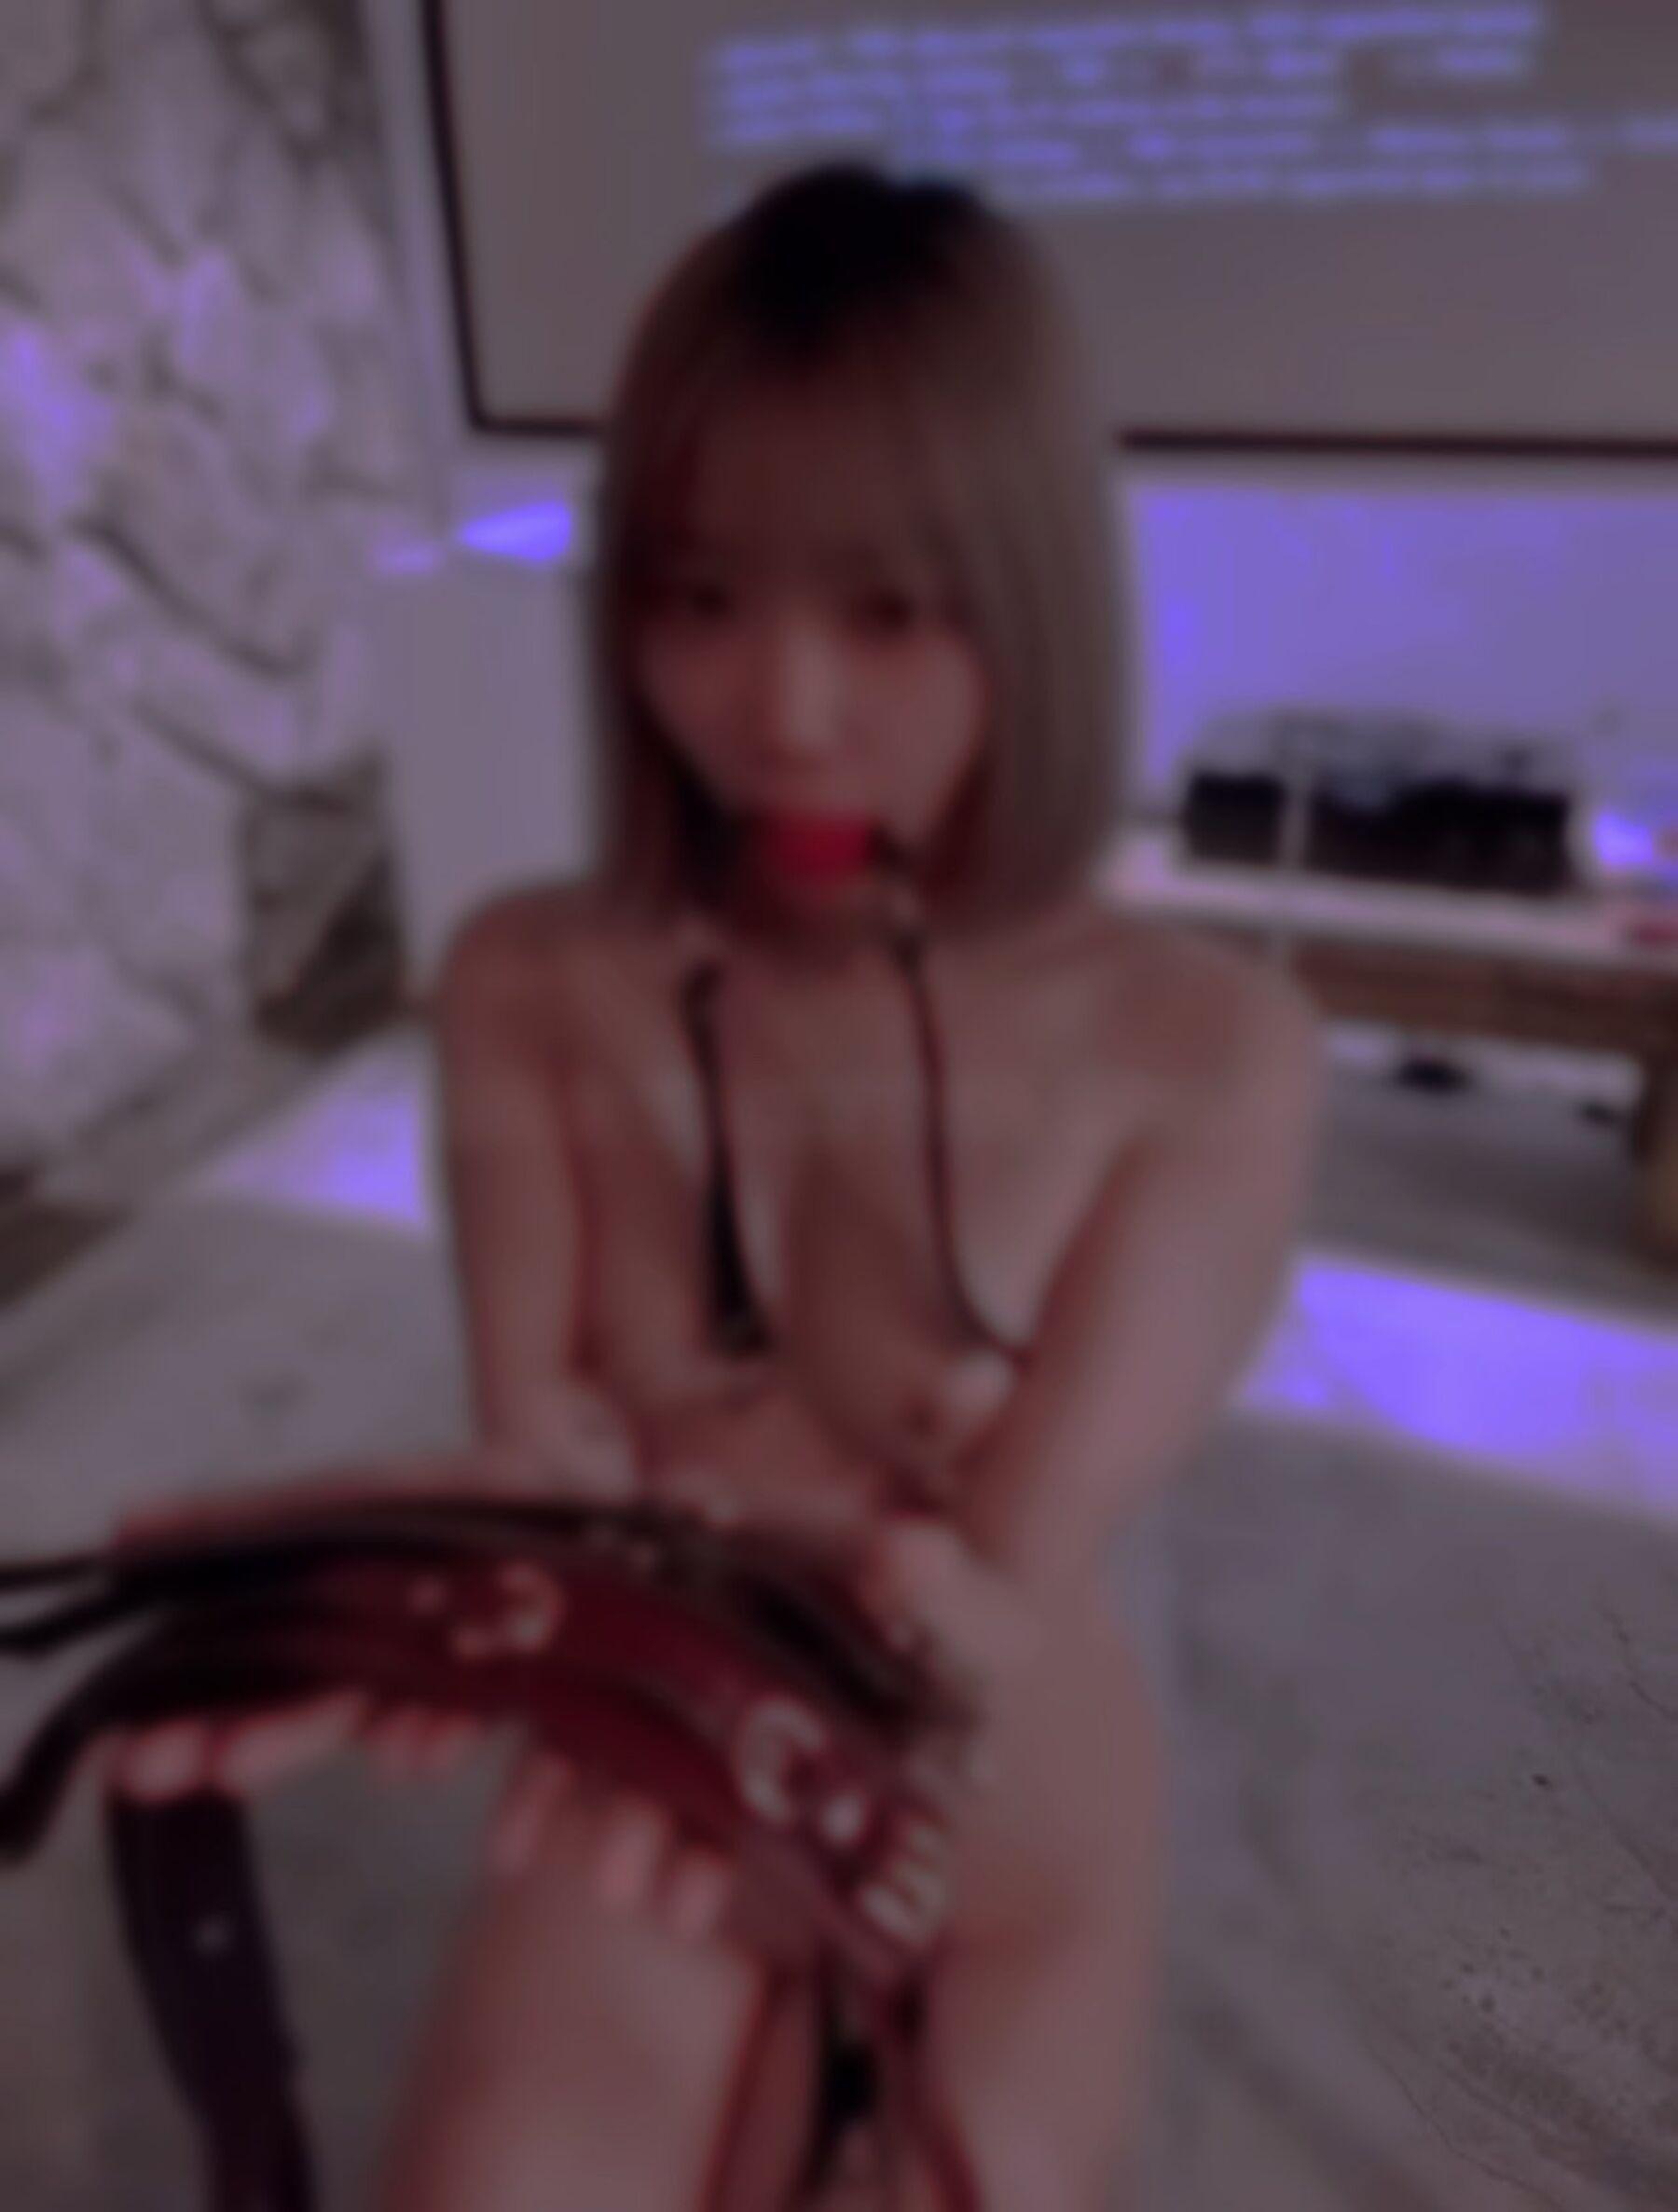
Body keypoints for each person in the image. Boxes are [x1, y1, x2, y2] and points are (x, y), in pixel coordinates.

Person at [106, 163, 1323, 2207]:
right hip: (656, 1732)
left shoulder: (1205, 1050)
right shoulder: (526, 977)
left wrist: (821, 1591)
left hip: (990, 1804)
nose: (783, 713)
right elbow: (545, 1447)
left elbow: (997, 1586)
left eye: (887, 611)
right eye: (698, 597)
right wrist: (397, 1577)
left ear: (1026, 594)